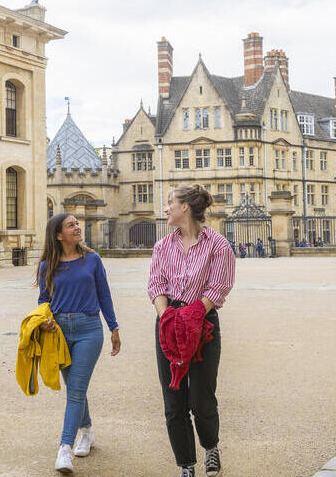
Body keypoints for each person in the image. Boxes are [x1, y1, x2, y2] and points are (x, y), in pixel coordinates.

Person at [147, 184, 236, 477]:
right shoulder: (162, 246)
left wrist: (194, 313)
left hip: (204, 322)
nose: (166, 208)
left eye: (170, 202)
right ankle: (186, 464)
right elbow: (156, 285)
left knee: (201, 398)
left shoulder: (218, 245)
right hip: (169, 323)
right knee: (174, 401)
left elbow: (219, 286)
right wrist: (168, 318)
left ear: (185, 206)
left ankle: (211, 446)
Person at [35, 213, 121, 473]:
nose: (77, 227)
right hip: (58, 332)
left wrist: (113, 327)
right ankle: (86, 430)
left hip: (88, 329)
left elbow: (104, 295)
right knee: (75, 387)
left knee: (75, 390)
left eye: (77, 224)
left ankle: (64, 449)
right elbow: (43, 300)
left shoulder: (92, 259)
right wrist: (44, 321)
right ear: (58, 235)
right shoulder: (47, 265)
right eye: (70, 225)